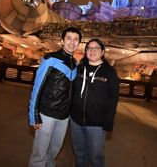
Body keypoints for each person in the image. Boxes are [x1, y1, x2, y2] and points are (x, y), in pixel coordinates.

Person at [28, 27, 82, 167]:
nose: (72, 42)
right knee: (40, 152)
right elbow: (37, 88)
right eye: (69, 38)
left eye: (76, 39)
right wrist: (34, 115)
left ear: (79, 43)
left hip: (64, 116)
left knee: (54, 150)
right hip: (46, 114)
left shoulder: (74, 64)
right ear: (62, 41)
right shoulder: (50, 59)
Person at [70, 38, 119, 167]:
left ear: (102, 52)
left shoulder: (109, 72)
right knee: (79, 153)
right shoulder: (80, 68)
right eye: (89, 48)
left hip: (97, 124)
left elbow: (113, 98)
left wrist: (109, 122)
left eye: (96, 48)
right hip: (75, 120)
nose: (92, 51)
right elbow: (70, 88)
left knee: (95, 157)